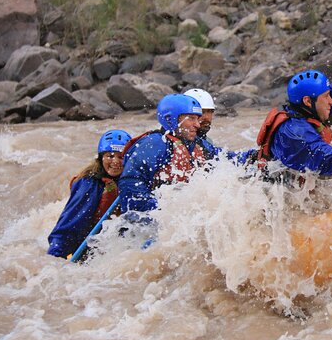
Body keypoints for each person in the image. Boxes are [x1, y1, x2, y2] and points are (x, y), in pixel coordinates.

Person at [256, 43, 332, 183]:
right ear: (308, 101)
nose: (331, 101)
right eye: (326, 97)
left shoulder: (311, 110)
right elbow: (320, 155)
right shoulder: (294, 132)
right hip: (265, 184)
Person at [118, 93, 252, 213]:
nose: (197, 125)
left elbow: (227, 159)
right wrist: (162, 210)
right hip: (152, 222)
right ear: (171, 119)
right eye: (191, 119)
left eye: (197, 118)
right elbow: (131, 185)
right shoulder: (154, 144)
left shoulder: (197, 145)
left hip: (181, 217)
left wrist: (254, 156)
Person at [47, 129, 132, 258]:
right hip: (87, 250)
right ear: (101, 158)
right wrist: (55, 256)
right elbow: (70, 222)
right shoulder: (88, 184)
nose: (115, 161)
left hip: (117, 247)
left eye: (121, 157)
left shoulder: (131, 180)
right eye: (110, 156)